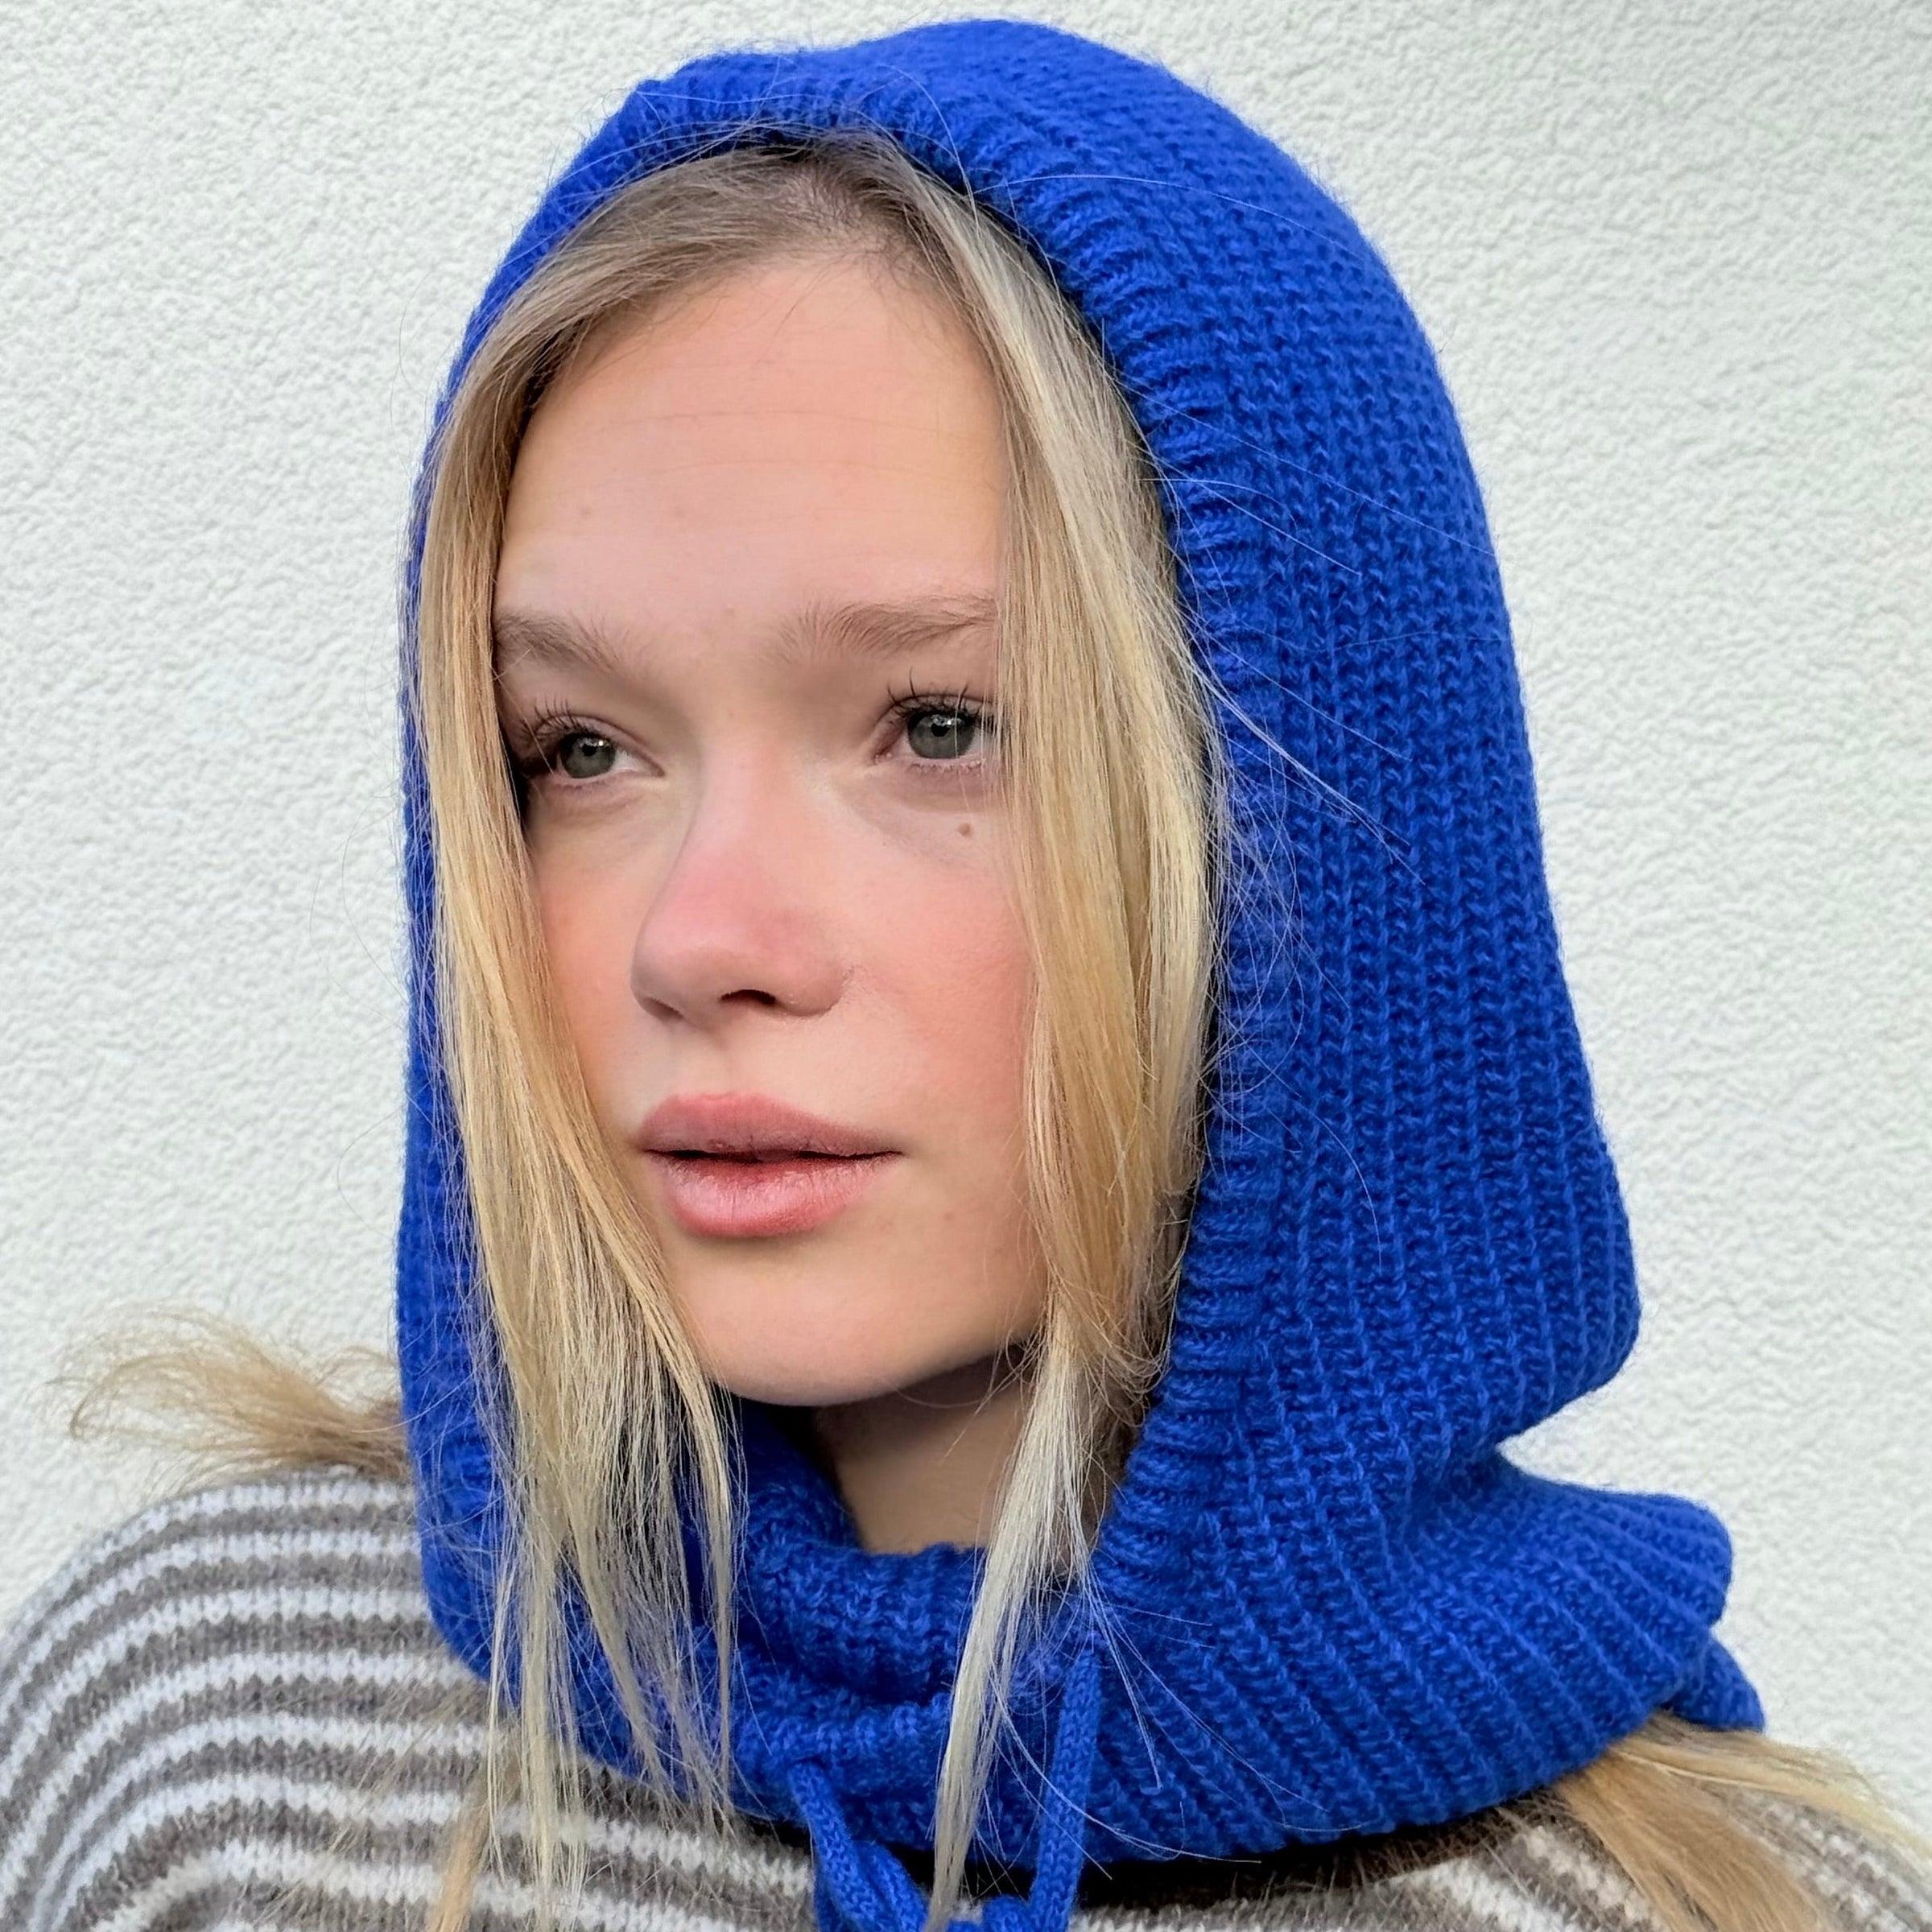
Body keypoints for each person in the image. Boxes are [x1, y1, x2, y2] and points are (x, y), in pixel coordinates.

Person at [0, 19, 1924, 1932]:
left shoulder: (1741, 1910)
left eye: (937, 728)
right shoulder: (224, 1744)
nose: (700, 941)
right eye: (578, 749)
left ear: (1325, 837)